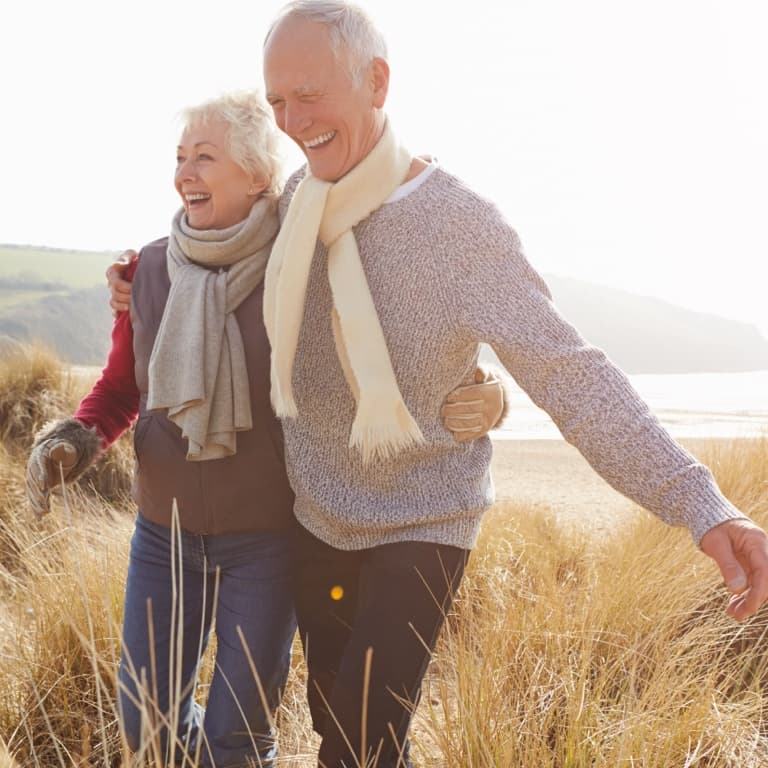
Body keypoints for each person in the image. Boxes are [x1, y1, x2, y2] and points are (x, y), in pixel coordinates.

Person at [254, 2, 768, 767]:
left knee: (360, 742)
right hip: (317, 510)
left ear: (377, 81)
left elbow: (569, 371)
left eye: (310, 94)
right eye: (277, 103)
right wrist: (140, 282)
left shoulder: (460, 226)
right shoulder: (298, 202)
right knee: (338, 723)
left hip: (426, 515)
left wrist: (699, 501)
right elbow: (219, 260)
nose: (293, 120)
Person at [27, 90, 505, 767]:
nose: (184, 173)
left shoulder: (305, 266)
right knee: (147, 725)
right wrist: (75, 438)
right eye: (179, 158)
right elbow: (122, 388)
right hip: (163, 537)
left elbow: (390, 357)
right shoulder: (151, 271)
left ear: (258, 176)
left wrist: (489, 395)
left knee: (238, 736)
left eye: (205, 157)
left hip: (270, 545)